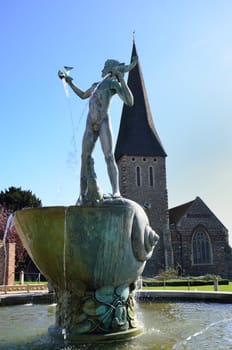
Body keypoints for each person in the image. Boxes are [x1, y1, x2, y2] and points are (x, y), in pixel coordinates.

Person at [58, 56, 137, 204]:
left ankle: (116, 192)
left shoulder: (112, 83)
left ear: (111, 70)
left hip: (103, 122)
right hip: (90, 124)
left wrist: (122, 79)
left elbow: (129, 101)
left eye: (105, 67)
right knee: (84, 157)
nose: (102, 70)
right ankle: (82, 194)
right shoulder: (95, 85)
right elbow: (83, 95)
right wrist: (70, 82)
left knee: (108, 156)